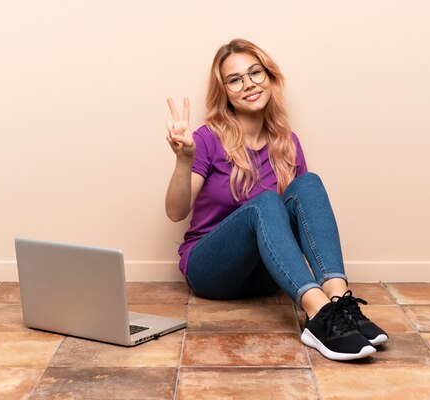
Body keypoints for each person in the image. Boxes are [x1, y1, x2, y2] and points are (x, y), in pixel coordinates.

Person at [164, 38, 388, 361]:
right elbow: (175, 212)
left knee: (308, 183)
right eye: (235, 79)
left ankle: (340, 305)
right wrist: (184, 160)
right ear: (225, 92)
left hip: (266, 276)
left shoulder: (287, 143)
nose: (249, 84)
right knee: (266, 202)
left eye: (255, 73)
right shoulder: (207, 138)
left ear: (269, 77)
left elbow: (306, 221)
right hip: (211, 270)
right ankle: (317, 316)